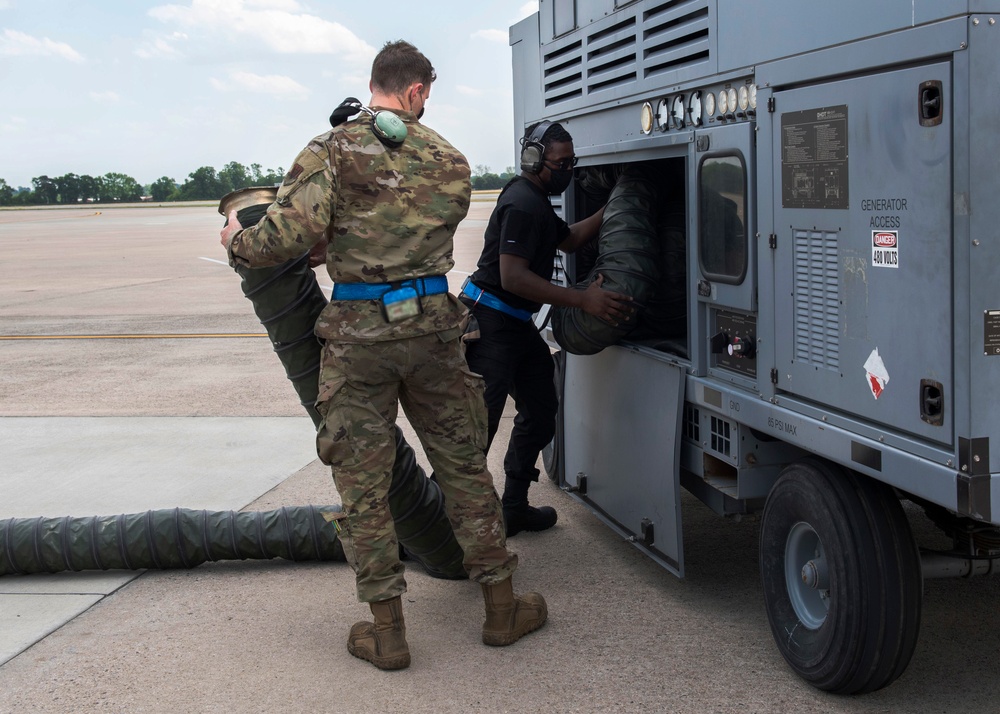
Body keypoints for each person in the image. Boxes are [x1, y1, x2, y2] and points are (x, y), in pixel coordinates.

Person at [219, 40, 545, 671]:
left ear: (376, 85)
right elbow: (417, 228)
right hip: (432, 334)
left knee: (363, 486)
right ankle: (502, 610)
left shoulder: (330, 150)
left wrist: (240, 241)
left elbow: (282, 238)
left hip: (359, 339)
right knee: (463, 470)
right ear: (418, 90)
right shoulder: (449, 159)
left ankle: (388, 633)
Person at [461, 121, 633, 536]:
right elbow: (513, 277)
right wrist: (583, 299)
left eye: (572, 162)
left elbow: (569, 240)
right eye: (562, 162)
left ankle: (514, 506)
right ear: (535, 160)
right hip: (491, 324)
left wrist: (614, 207)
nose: (568, 170)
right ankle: (438, 529)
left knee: (541, 411)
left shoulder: (538, 199)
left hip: (516, 325)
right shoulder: (522, 203)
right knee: (475, 432)